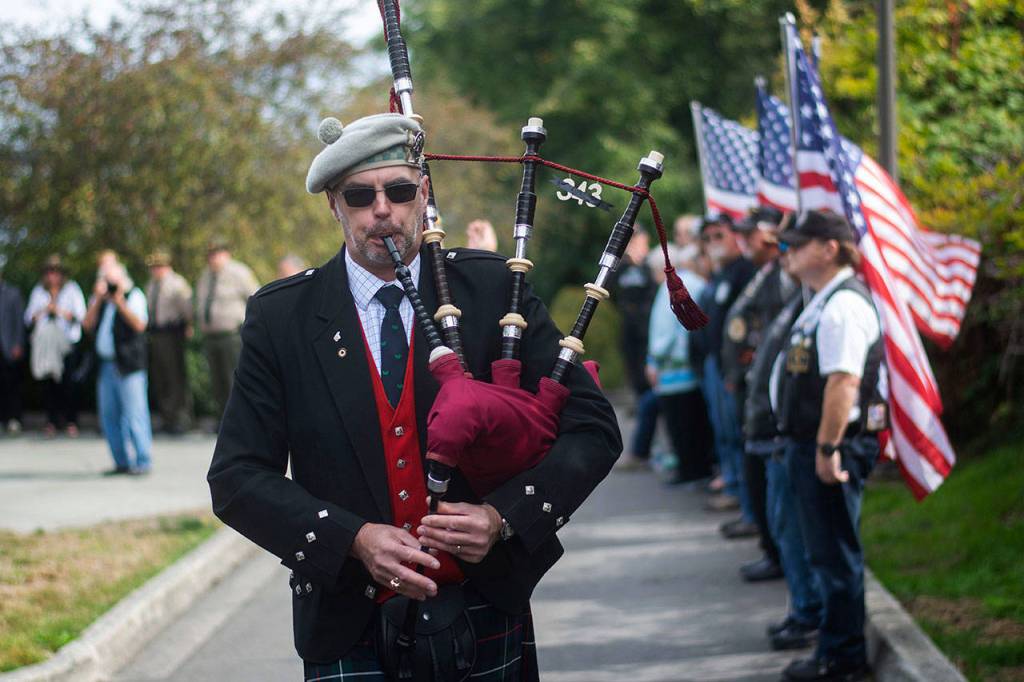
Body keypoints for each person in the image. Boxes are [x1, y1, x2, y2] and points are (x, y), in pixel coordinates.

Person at [208, 112, 620, 681]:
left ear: (423, 194)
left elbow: (592, 429)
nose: (382, 209)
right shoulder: (282, 316)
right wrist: (352, 539)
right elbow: (236, 477)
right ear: (334, 204)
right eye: (359, 195)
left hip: (484, 601)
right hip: (346, 613)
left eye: (399, 190)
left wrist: (504, 516)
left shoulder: (495, 289)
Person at [773, 210, 884, 682]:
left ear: (829, 248)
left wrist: (826, 448)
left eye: (799, 244)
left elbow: (843, 383)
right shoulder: (823, 299)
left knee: (835, 556)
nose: (789, 253)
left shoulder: (843, 305)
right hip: (809, 445)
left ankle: (844, 659)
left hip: (829, 449)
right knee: (824, 553)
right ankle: (835, 649)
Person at [719, 208, 797, 556]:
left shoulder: (782, 274)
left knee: (769, 475)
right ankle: (771, 546)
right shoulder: (763, 272)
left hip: (772, 390)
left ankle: (776, 551)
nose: (743, 240)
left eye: (750, 235)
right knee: (754, 466)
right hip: (755, 384)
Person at [689, 215, 757, 515]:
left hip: (734, 366)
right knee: (723, 432)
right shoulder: (718, 276)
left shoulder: (744, 272)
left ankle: (745, 499)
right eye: (708, 239)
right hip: (714, 364)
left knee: (735, 430)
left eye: (719, 236)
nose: (714, 244)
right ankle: (733, 487)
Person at [646, 256, 713, 482]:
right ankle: (696, 468)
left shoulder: (675, 285)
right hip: (685, 366)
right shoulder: (694, 283)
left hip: (675, 369)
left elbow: (666, 328)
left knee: (683, 425)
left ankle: (690, 470)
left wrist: (655, 358)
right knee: (691, 424)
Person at [83, 259, 153, 475]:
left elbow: (140, 325)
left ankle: (142, 461)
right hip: (106, 366)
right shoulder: (100, 301)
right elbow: (86, 325)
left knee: (135, 414)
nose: (110, 285)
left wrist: (120, 301)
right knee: (109, 416)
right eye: (106, 280)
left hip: (129, 366)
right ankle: (121, 462)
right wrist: (98, 299)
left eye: (112, 280)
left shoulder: (135, 295)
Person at [609, 228, 660, 471]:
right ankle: (643, 451)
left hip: (646, 339)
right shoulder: (625, 269)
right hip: (634, 340)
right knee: (644, 394)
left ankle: (644, 449)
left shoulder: (647, 269)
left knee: (650, 397)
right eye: (641, 243)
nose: (644, 248)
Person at [195, 239, 259, 421]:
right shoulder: (206, 276)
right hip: (211, 336)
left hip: (232, 335)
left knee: (234, 379)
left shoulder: (239, 272)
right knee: (218, 382)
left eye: (216, 254)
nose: (212, 259)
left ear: (226, 254)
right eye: (210, 255)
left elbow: (256, 299)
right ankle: (224, 419)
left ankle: (240, 420)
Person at [24, 254, 87, 438]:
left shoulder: (72, 290)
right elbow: (28, 318)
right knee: (48, 383)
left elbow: (80, 316)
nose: (52, 276)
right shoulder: (38, 291)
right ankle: (51, 421)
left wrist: (58, 310)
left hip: (67, 342)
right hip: (46, 344)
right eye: (49, 273)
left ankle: (70, 421)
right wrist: (45, 309)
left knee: (68, 382)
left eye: (55, 272)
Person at [145, 250, 193, 434]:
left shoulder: (176, 283)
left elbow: (187, 308)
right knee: (160, 377)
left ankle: (181, 418)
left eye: (158, 266)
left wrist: (188, 325)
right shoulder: (152, 285)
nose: (155, 270)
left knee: (175, 377)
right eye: (153, 267)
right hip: (156, 333)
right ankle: (167, 417)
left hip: (172, 333)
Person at [0, 269, 26, 434]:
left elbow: (19, 320)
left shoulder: (13, 293)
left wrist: (18, 343)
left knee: (11, 385)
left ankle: (14, 419)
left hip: (8, 346)